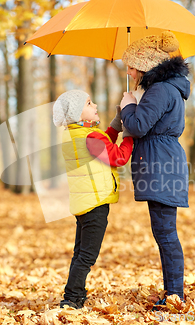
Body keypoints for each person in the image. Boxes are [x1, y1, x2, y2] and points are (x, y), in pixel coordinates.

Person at [119, 31, 190, 308]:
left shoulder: (161, 90)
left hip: (161, 165)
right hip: (160, 163)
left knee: (166, 234)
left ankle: (175, 296)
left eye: (131, 66)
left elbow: (137, 126)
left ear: (145, 65)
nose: (128, 71)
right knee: (163, 232)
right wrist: (135, 102)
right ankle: (173, 293)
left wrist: (128, 107)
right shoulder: (162, 88)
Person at [52, 90, 134, 309]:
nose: (95, 104)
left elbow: (103, 143)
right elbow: (118, 156)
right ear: (79, 115)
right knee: (87, 255)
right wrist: (129, 134)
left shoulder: (74, 134)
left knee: (79, 253)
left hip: (83, 203)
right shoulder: (90, 137)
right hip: (96, 204)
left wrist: (117, 123)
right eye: (89, 103)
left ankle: (75, 294)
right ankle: (70, 299)